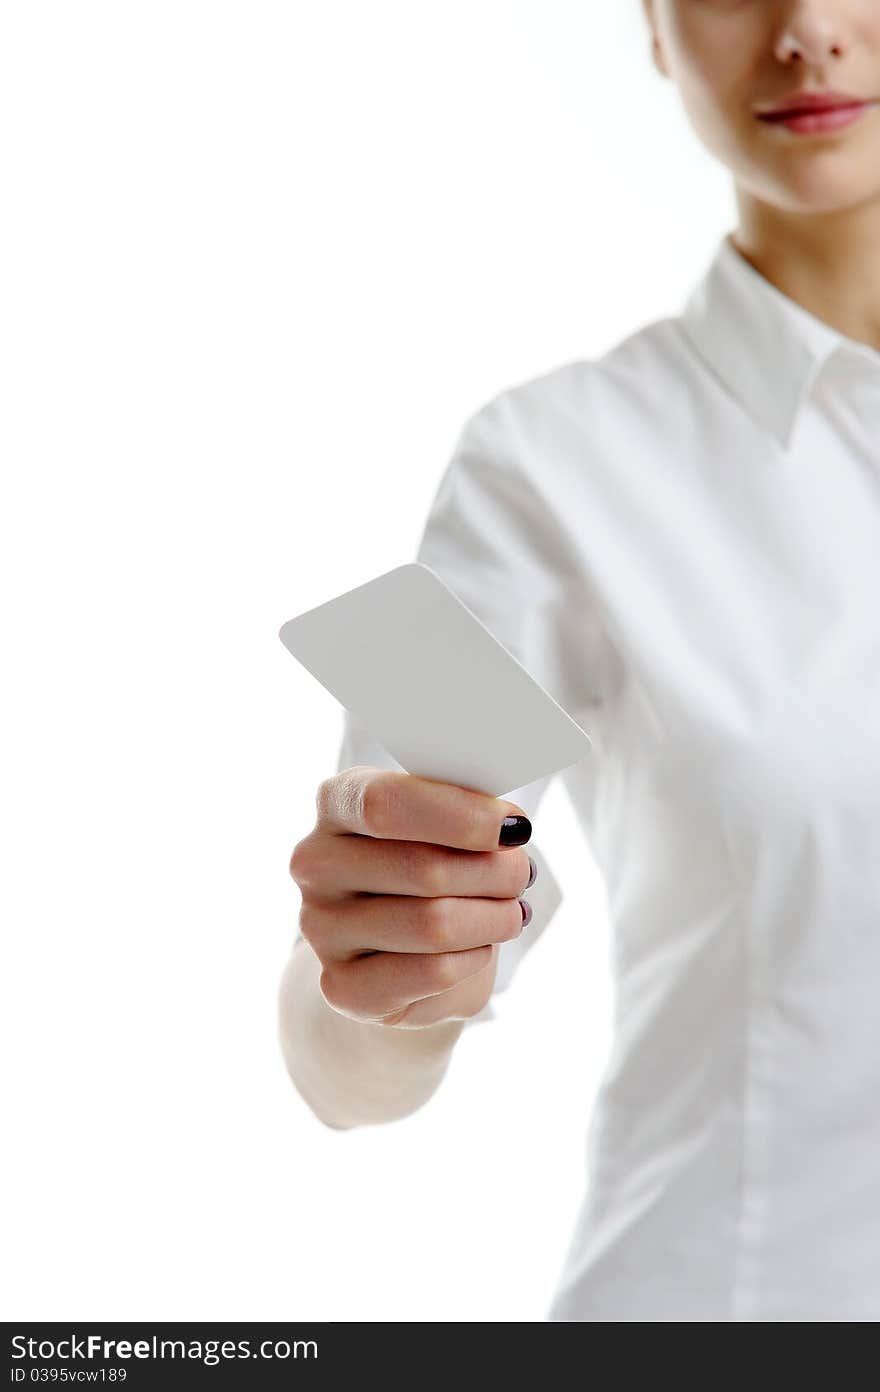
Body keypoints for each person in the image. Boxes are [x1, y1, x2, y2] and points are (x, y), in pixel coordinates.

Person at [278, 0, 880, 1321]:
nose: (810, 32)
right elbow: (345, 1063)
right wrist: (393, 980)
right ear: (654, 25)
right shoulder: (560, 467)